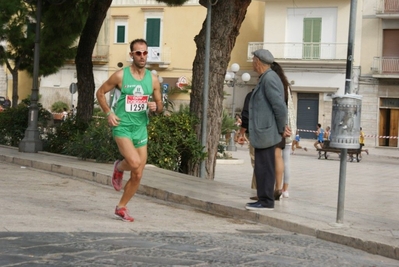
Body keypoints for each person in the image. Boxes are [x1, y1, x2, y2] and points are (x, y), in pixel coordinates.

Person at [96, 38, 163, 222]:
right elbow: (100, 92)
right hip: (122, 126)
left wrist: (155, 107)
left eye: (145, 53)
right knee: (133, 163)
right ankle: (119, 167)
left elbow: (160, 105)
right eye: (138, 53)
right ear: (131, 55)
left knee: (138, 173)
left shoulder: (153, 79)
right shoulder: (120, 76)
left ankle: (121, 207)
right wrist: (109, 113)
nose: (142, 56)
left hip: (141, 128)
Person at [245, 49, 289, 211]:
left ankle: (266, 201)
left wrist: (281, 128)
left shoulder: (269, 79)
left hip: (267, 132)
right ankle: (263, 199)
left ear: (258, 61)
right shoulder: (266, 78)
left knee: (265, 167)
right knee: (261, 167)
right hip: (264, 132)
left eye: (253, 60)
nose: (252, 63)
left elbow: (279, 106)